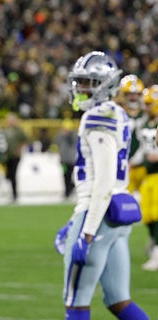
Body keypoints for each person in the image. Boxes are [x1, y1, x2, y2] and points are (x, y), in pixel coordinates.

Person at [57, 51, 149, 320]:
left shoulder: (98, 116)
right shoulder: (118, 113)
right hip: (118, 220)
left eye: (88, 82)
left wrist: (85, 231)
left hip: (98, 216)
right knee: (119, 300)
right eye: (80, 82)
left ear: (106, 84)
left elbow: (103, 182)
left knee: (76, 302)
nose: (81, 88)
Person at [138, 84, 158, 271]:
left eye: (149, 103)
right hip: (148, 175)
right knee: (148, 215)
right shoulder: (144, 123)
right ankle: (154, 245)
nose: (146, 107)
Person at [118, 74, 147, 197]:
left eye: (136, 94)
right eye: (129, 94)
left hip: (144, 165)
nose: (133, 98)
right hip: (123, 165)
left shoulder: (147, 114)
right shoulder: (117, 113)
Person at [2, 112, 28, 202]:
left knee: (13, 174)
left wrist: (19, 149)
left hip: (15, 156)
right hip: (7, 156)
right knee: (8, 175)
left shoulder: (18, 130)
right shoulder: (5, 130)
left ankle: (14, 194)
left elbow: (24, 140)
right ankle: (11, 192)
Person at [53, 118, 78, 199]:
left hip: (71, 160)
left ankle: (69, 189)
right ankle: (67, 191)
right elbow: (56, 143)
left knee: (69, 175)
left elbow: (74, 142)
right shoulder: (60, 135)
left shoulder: (73, 135)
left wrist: (68, 135)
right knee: (65, 176)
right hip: (63, 160)